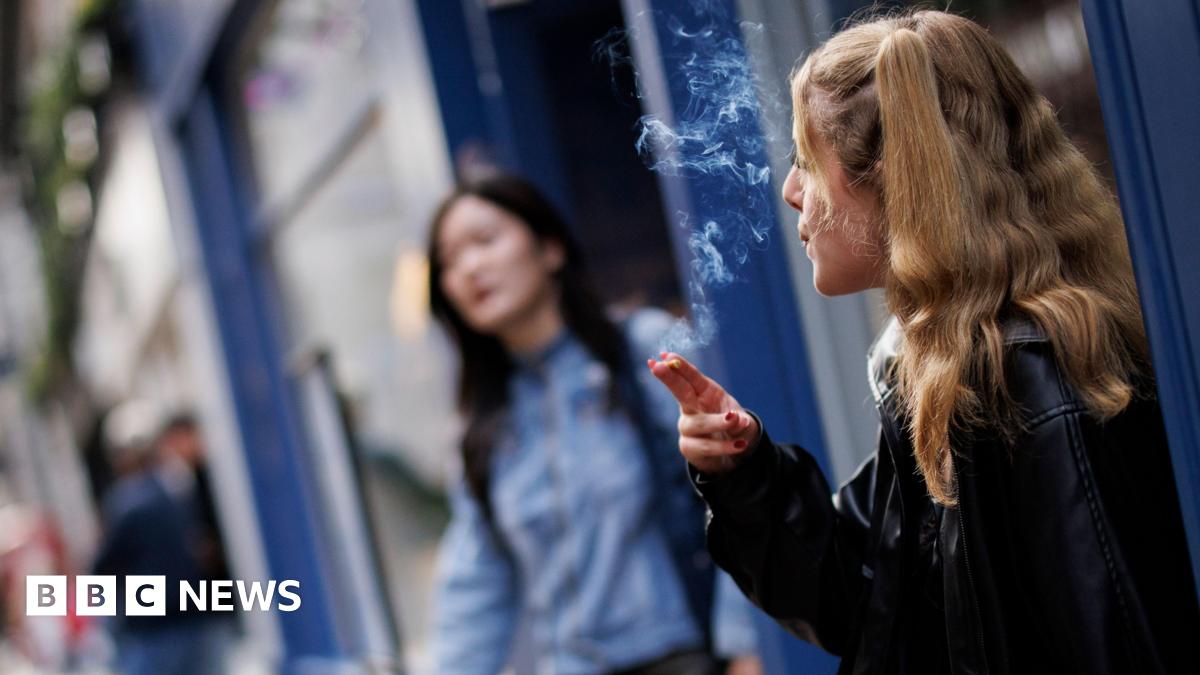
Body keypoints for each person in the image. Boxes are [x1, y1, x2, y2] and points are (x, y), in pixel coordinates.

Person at [647, 9, 1200, 675]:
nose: (792, 190)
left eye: (806, 159)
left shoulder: (1026, 381)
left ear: (893, 178)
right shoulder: (948, 369)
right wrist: (745, 475)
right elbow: (868, 597)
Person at [427, 173, 761, 674]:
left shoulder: (644, 352)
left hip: (681, 659)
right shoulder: (483, 427)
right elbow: (474, 586)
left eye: (484, 240)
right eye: (449, 260)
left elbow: (742, 494)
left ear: (549, 248)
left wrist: (748, 646)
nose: (470, 267)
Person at [93, 402, 232, 675]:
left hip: (156, 629)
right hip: (198, 618)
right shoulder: (176, 488)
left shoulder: (126, 502)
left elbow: (102, 568)